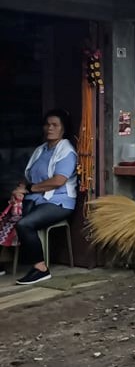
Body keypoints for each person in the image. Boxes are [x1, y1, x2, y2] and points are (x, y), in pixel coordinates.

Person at [6, 109, 78, 285]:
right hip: (37, 199)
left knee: (25, 224)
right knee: (6, 215)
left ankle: (41, 269)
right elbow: (28, 176)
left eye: (55, 125)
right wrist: (19, 190)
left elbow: (58, 181)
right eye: (47, 124)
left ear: (63, 129)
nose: (49, 128)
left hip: (59, 202)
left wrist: (29, 189)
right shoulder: (41, 149)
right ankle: (3, 264)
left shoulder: (66, 151)